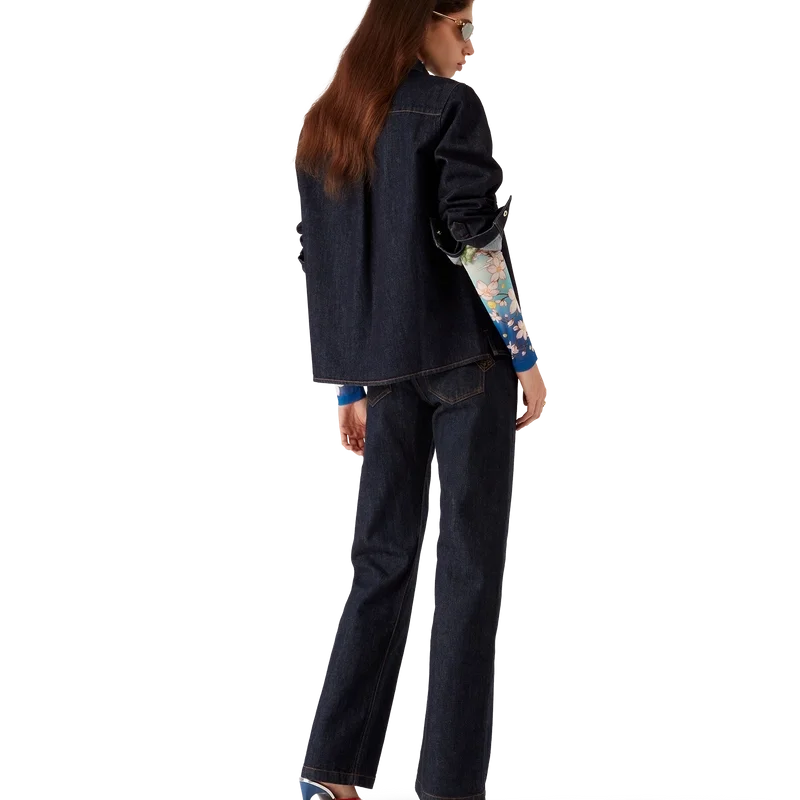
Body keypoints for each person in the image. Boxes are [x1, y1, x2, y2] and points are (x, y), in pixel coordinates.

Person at [293, 2, 549, 799]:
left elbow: (327, 265)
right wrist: (526, 353)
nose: (468, 47)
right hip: (467, 360)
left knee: (380, 561)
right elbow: (473, 237)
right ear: (416, 24)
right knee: (468, 573)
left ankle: (330, 774)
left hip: (385, 372)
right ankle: (448, 787)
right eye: (459, 27)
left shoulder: (328, 121)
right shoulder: (447, 107)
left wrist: (350, 383)